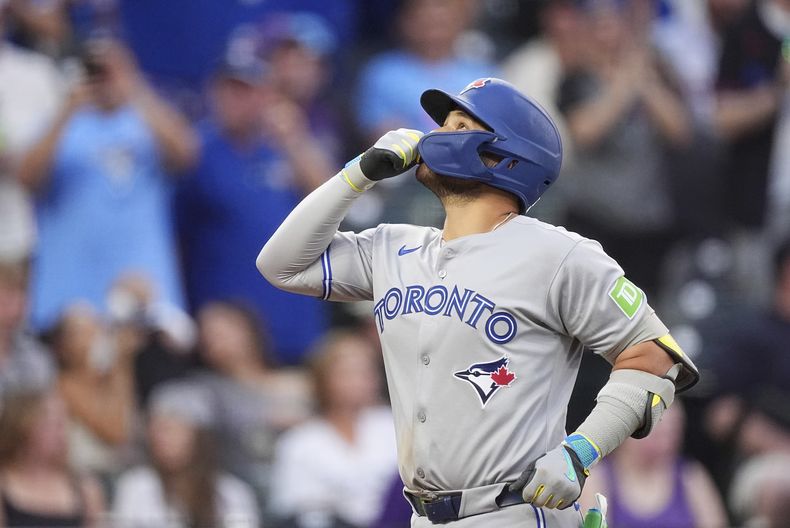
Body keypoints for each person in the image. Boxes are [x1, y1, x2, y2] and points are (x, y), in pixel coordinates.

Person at [256, 77, 699, 527]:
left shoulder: (559, 255)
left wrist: (579, 452)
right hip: (424, 516)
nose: (435, 137)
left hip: (515, 511)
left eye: (459, 126)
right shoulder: (393, 247)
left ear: (504, 157)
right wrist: (360, 173)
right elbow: (282, 266)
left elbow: (655, 358)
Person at [17, 35, 198, 332]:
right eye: (95, 70)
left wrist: (134, 87)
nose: (103, 78)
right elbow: (25, 178)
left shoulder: (146, 120)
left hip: (143, 293)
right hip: (70, 300)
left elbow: (187, 154)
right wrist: (68, 107)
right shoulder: (63, 123)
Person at [175, 43, 330, 365]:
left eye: (246, 90)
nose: (235, 100)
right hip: (228, 324)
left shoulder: (284, 147)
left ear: (268, 95)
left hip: (293, 319)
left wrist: (294, 139)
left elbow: (330, 198)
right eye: (228, 89)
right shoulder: (197, 151)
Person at [267, 329, 397, 528]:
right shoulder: (299, 442)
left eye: (366, 372)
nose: (358, 382)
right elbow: (295, 509)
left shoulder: (394, 426)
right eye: (347, 373)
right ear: (322, 379)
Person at [111, 380, 259, 528]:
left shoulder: (232, 493)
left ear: (199, 436)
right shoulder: (136, 486)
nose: (161, 438)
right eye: (156, 430)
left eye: (170, 429)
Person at [579, 400, 728, 527]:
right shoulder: (597, 479)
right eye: (658, 434)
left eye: (673, 433)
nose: (666, 444)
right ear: (629, 431)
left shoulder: (691, 476)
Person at [0, 388, 106, 527]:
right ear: (22, 426)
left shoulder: (86, 489)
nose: (61, 432)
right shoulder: (4, 486)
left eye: (63, 422)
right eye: (51, 423)